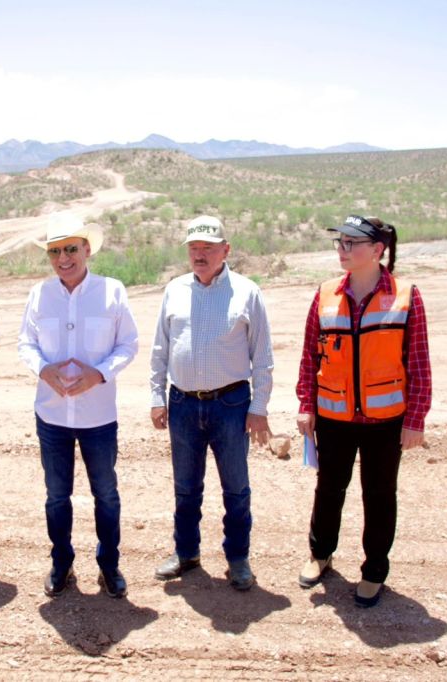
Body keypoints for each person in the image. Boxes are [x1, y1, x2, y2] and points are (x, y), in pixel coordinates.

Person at [295, 215, 432, 607]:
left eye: (352, 243)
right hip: (334, 417)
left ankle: (374, 570)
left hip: (385, 421)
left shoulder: (406, 295)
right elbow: (310, 356)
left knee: (379, 495)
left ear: (377, 250)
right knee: (329, 489)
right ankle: (320, 554)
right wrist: (307, 405)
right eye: (340, 243)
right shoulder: (324, 294)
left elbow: (418, 363)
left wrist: (415, 420)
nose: (343, 250)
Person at [17, 212, 139, 598]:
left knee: (106, 493)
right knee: (56, 495)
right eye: (55, 251)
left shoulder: (113, 291)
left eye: (71, 249)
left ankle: (109, 565)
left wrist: (99, 373)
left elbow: (128, 345)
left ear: (87, 250)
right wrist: (43, 370)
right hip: (52, 414)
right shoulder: (39, 294)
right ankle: (62, 563)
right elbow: (25, 344)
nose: (63, 258)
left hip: (99, 416)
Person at [149, 215, 274, 591]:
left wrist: (259, 408)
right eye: (193, 248)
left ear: (226, 250)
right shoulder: (174, 290)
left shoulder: (247, 292)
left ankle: (238, 558)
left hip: (231, 404)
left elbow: (262, 356)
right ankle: (186, 552)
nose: (199, 255)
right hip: (183, 404)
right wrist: (157, 396)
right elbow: (160, 349)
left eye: (207, 248)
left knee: (235, 487)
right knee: (186, 487)